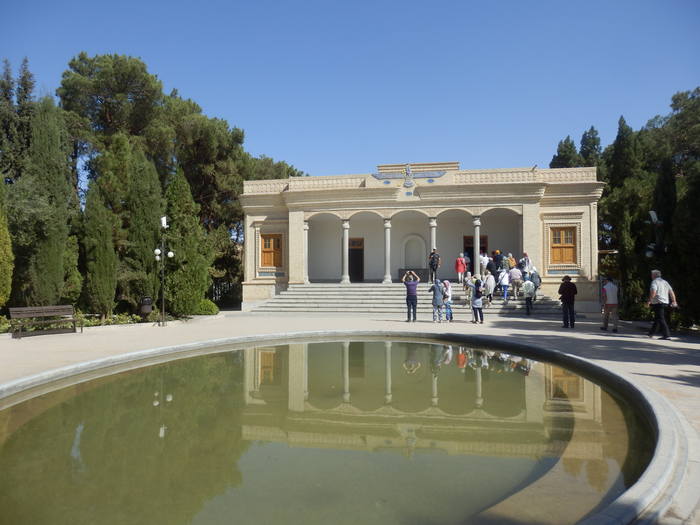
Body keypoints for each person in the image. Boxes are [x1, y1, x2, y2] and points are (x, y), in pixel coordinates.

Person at [647, 269, 677, 340]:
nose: (651, 276)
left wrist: (649, 300)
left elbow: (653, 292)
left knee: (661, 318)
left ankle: (667, 335)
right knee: (657, 318)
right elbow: (671, 292)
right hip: (665, 302)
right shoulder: (665, 282)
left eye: (652, 275)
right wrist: (674, 301)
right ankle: (651, 333)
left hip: (658, 302)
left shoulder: (654, 282)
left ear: (654, 275)